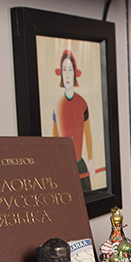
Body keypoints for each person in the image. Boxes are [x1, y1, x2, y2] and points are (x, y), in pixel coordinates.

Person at [53, 49, 95, 192]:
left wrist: (90, 160)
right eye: (64, 69)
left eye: (70, 69)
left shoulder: (82, 103)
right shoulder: (57, 105)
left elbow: (88, 135)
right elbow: (54, 140)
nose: (67, 74)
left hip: (79, 162)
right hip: (63, 165)